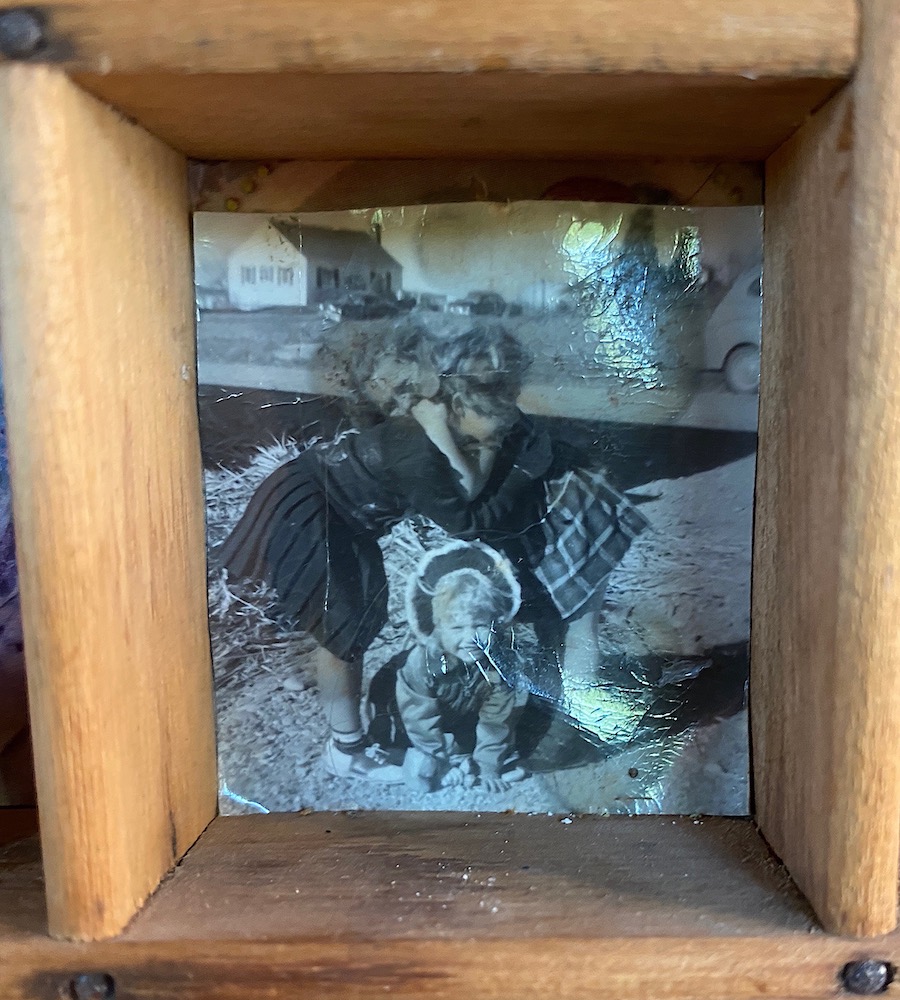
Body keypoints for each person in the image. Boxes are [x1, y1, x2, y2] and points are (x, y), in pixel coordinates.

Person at [218, 327, 551, 782]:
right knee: (345, 629)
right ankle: (346, 751)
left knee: (347, 618)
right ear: (457, 409)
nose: (492, 443)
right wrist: (506, 463)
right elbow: (466, 520)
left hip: (332, 507)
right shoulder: (417, 452)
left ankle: (321, 679)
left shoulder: (435, 428)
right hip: (314, 509)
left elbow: (468, 475)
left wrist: (476, 443)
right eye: (485, 436)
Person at [396, 541, 526, 793]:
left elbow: (497, 718)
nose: (470, 638)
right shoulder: (422, 662)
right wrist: (441, 760)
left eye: (480, 626)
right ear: (438, 627)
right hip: (413, 724)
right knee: (421, 767)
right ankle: (437, 759)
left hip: (460, 718)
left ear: (494, 624)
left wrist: (488, 766)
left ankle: (470, 760)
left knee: (503, 748)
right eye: (457, 628)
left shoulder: (500, 663)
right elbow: (419, 719)